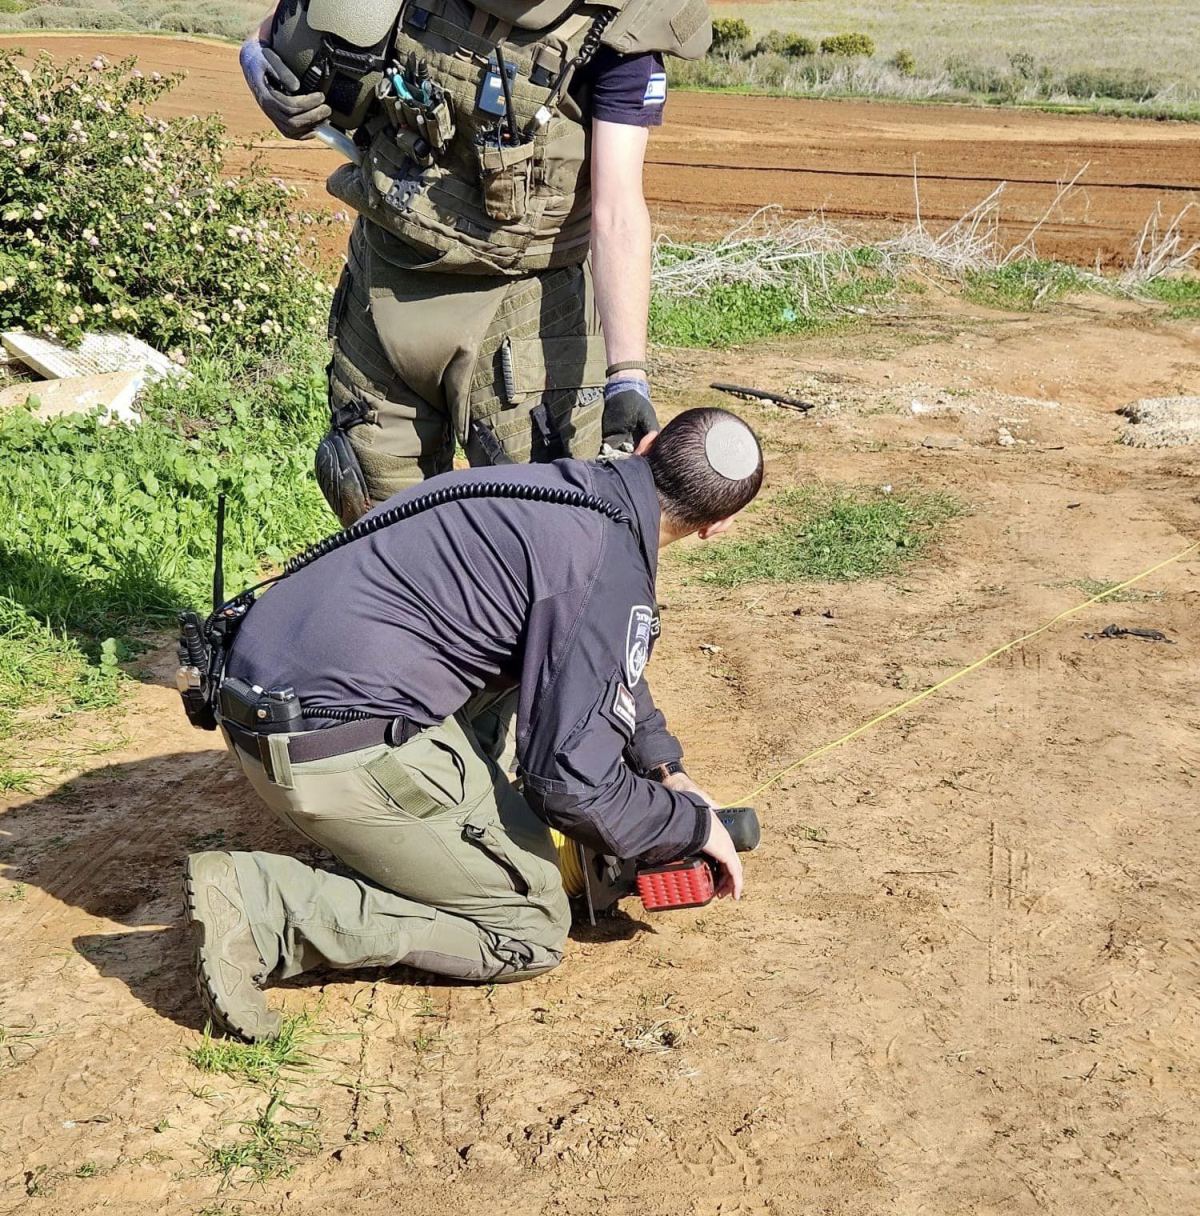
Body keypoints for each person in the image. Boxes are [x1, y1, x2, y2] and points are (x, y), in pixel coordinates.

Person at [184, 407, 763, 1040]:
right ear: (718, 525)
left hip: (257, 694)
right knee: (532, 925)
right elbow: (570, 787)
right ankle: (266, 907)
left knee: (534, 674)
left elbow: (594, 654)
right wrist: (689, 824)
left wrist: (664, 769)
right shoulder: (608, 564)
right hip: (322, 750)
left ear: (648, 446)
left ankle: (420, 839)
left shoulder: (552, 488)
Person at [238, 0, 713, 524]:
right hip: (388, 281)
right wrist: (258, 68)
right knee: (377, 524)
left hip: (526, 308)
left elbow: (618, 207)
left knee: (552, 534)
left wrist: (627, 378)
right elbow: (277, 39)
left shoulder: (623, 25)